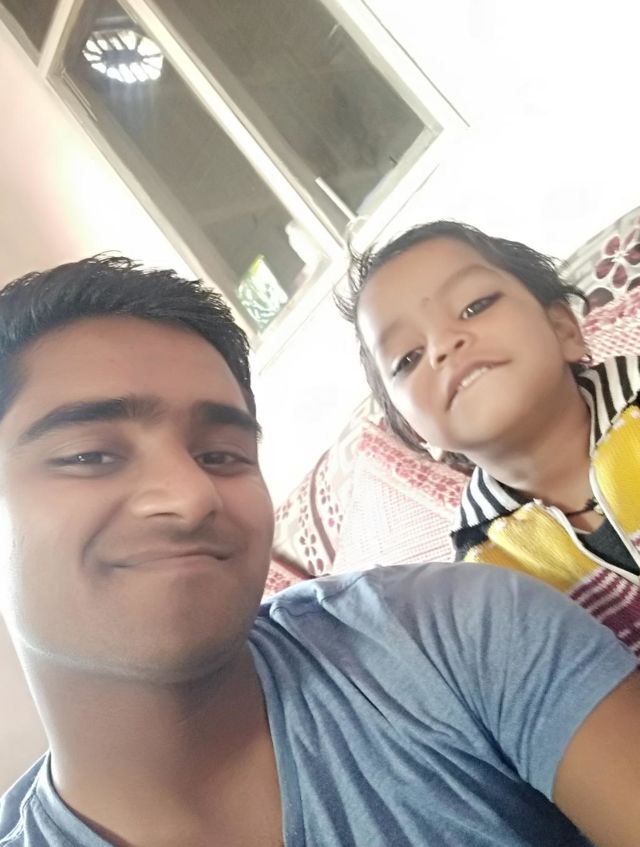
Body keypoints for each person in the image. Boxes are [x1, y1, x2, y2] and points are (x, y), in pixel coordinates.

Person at [0, 255, 639, 847]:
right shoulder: (488, 548)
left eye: (221, 455)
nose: (192, 496)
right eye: (89, 456)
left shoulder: (456, 630)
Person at [339, 220, 640, 652]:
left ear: (563, 329)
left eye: (474, 306)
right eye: (408, 358)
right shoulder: (482, 579)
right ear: (417, 432)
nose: (444, 345)